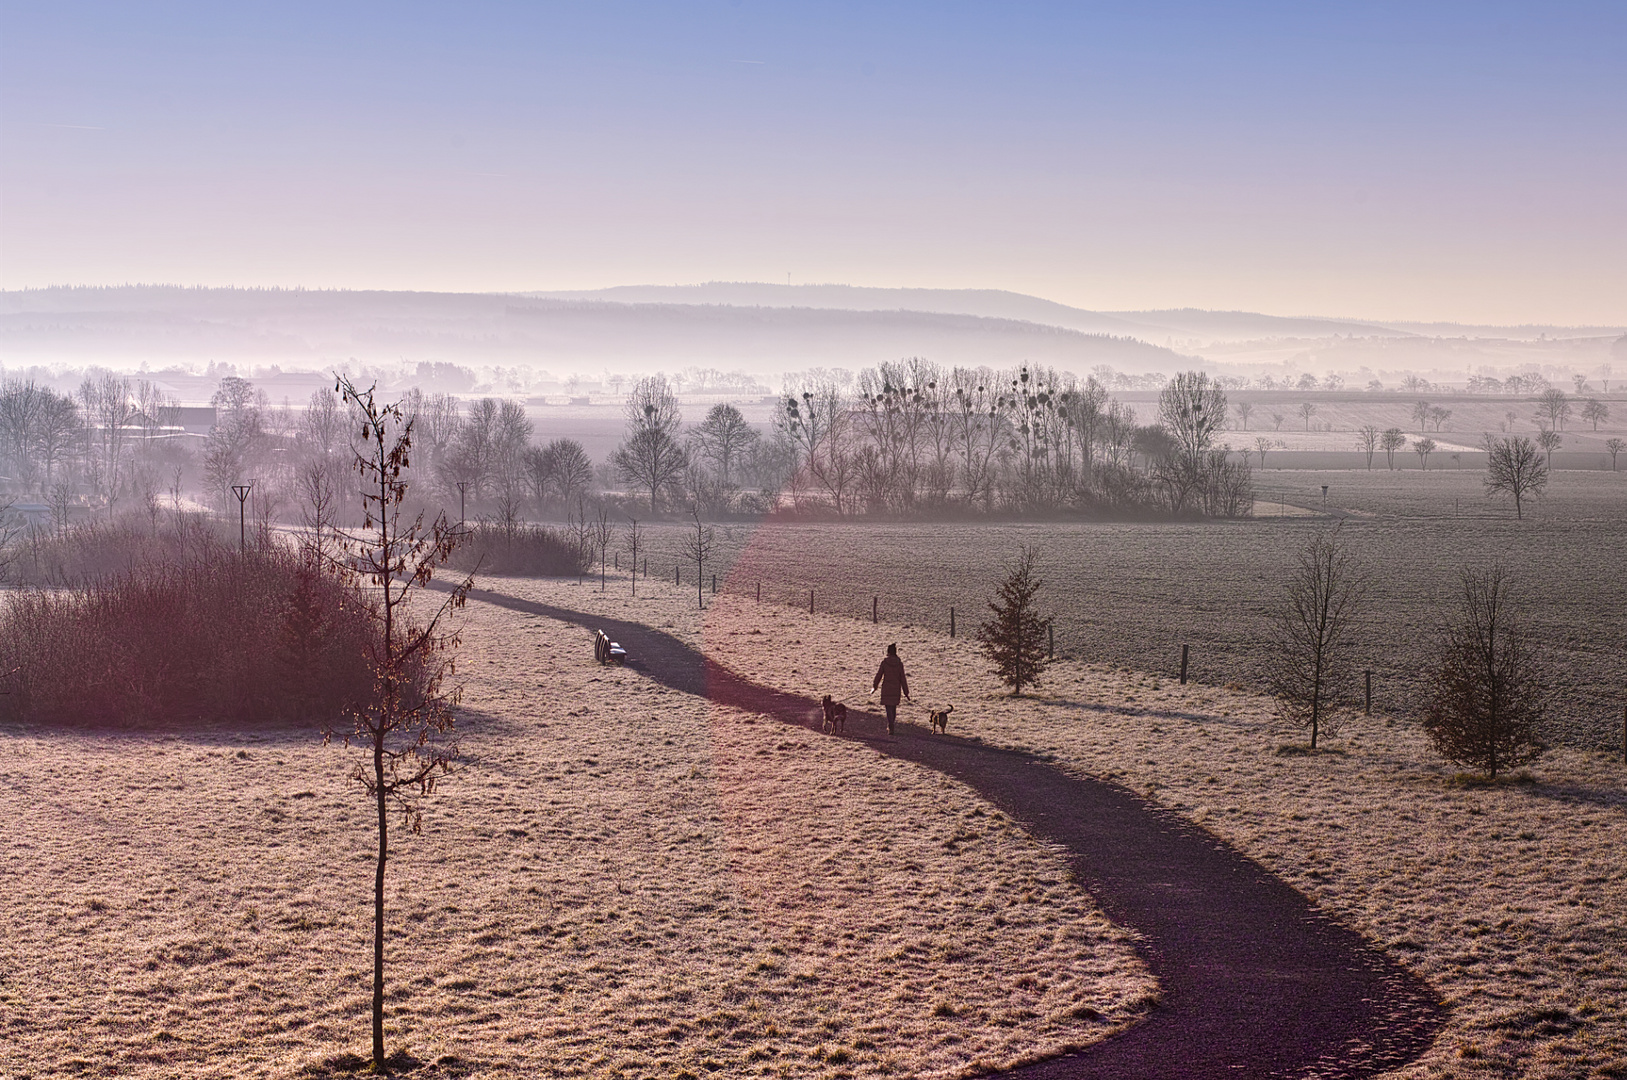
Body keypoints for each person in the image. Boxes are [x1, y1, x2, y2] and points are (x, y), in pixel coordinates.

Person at [872, 643, 910, 735]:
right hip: (896, 689)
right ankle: (891, 723)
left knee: (888, 707)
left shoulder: (884, 662)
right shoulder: (899, 664)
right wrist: (906, 692)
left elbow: (879, 675)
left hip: (886, 688)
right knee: (893, 707)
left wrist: (875, 686)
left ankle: (890, 725)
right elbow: (903, 678)